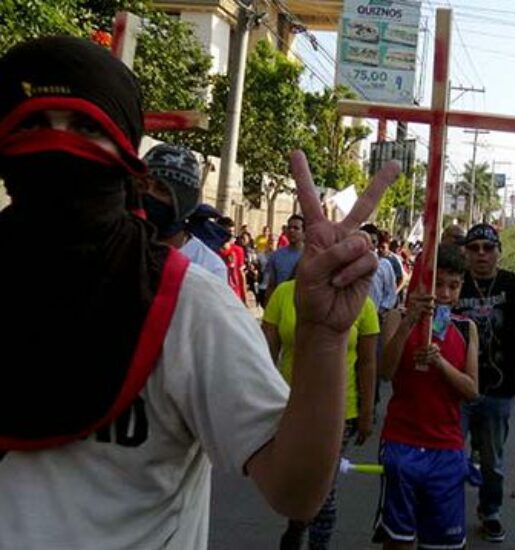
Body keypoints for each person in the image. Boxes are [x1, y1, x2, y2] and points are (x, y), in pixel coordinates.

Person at [0, 36, 401, 549]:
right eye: (33, 124)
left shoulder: (189, 308)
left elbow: (295, 492)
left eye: (85, 127)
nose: (57, 146)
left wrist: (324, 337)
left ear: (125, 154)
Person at [453, 221, 515, 542]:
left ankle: (490, 511)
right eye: (474, 248)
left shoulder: (511, 283)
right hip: (456, 387)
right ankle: (447, 511)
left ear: (498, 252)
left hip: (498, 390)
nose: (481, 254)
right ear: (465, 253)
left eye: (488, 248)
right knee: (450, 454)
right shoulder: (455, 284)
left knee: (492, 461)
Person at [375, 243, 479, 550]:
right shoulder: (398, 317)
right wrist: (409, 323)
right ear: (424, 281)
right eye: (439, 284)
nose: (445, 293)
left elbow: (471, 390)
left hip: (446, 446)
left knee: (443, 543)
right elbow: (385, 372)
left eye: (454, 285)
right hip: (402, 441)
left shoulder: (465, 327)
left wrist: (440, 363)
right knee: (399, 540)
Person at [263, 276, 379, 550]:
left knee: (324, 491)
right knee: (299, 483)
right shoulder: (284, 293)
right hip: (290, 407)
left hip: (340, 412)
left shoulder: (363, 303)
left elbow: (368, 363)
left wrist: (366, 411)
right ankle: (296, 526)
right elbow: (266, 350)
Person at [139, 142, 227, 282]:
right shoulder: (116, 247)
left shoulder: (209, 267)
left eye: (162, 189)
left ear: (184, 202)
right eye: (141, 186)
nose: (148, 195)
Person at [263, 214, 305, 306]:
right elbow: (271, 285)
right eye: (289, 227)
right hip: (282, 305)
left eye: (296, 228)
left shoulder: (312, 255)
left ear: (304, 232)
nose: (291, 230)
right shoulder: (276, 256)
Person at [362, 223, 398, 314]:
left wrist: (381, 311)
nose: (370, 246)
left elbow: (390, 293)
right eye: (366, 241)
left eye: (373, 241)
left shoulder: (384, 265)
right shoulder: (349, 263)